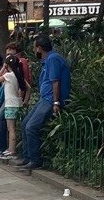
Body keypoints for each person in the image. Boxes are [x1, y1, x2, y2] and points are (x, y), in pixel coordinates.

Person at [14, 34, 70, 173]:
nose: (34, 51)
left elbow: (55, 82)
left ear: (39, 48)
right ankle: (27, 157)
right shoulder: (47, 60)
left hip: (50, 99)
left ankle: (35, 160)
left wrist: (56, 102)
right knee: (25, 123)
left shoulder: (53, 59)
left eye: (34, 48)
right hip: (44, 98)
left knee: (31, 127)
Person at [0, 54, 28, 160]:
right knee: (14, 128)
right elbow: (28, 88)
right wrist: (24, 100)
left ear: (8, 65)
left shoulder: (9, 76)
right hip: (17, 104)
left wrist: (3, 68)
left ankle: (11, 150)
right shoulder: (18, 75)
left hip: (10, 105)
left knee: (11, 129)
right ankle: (11, 149)